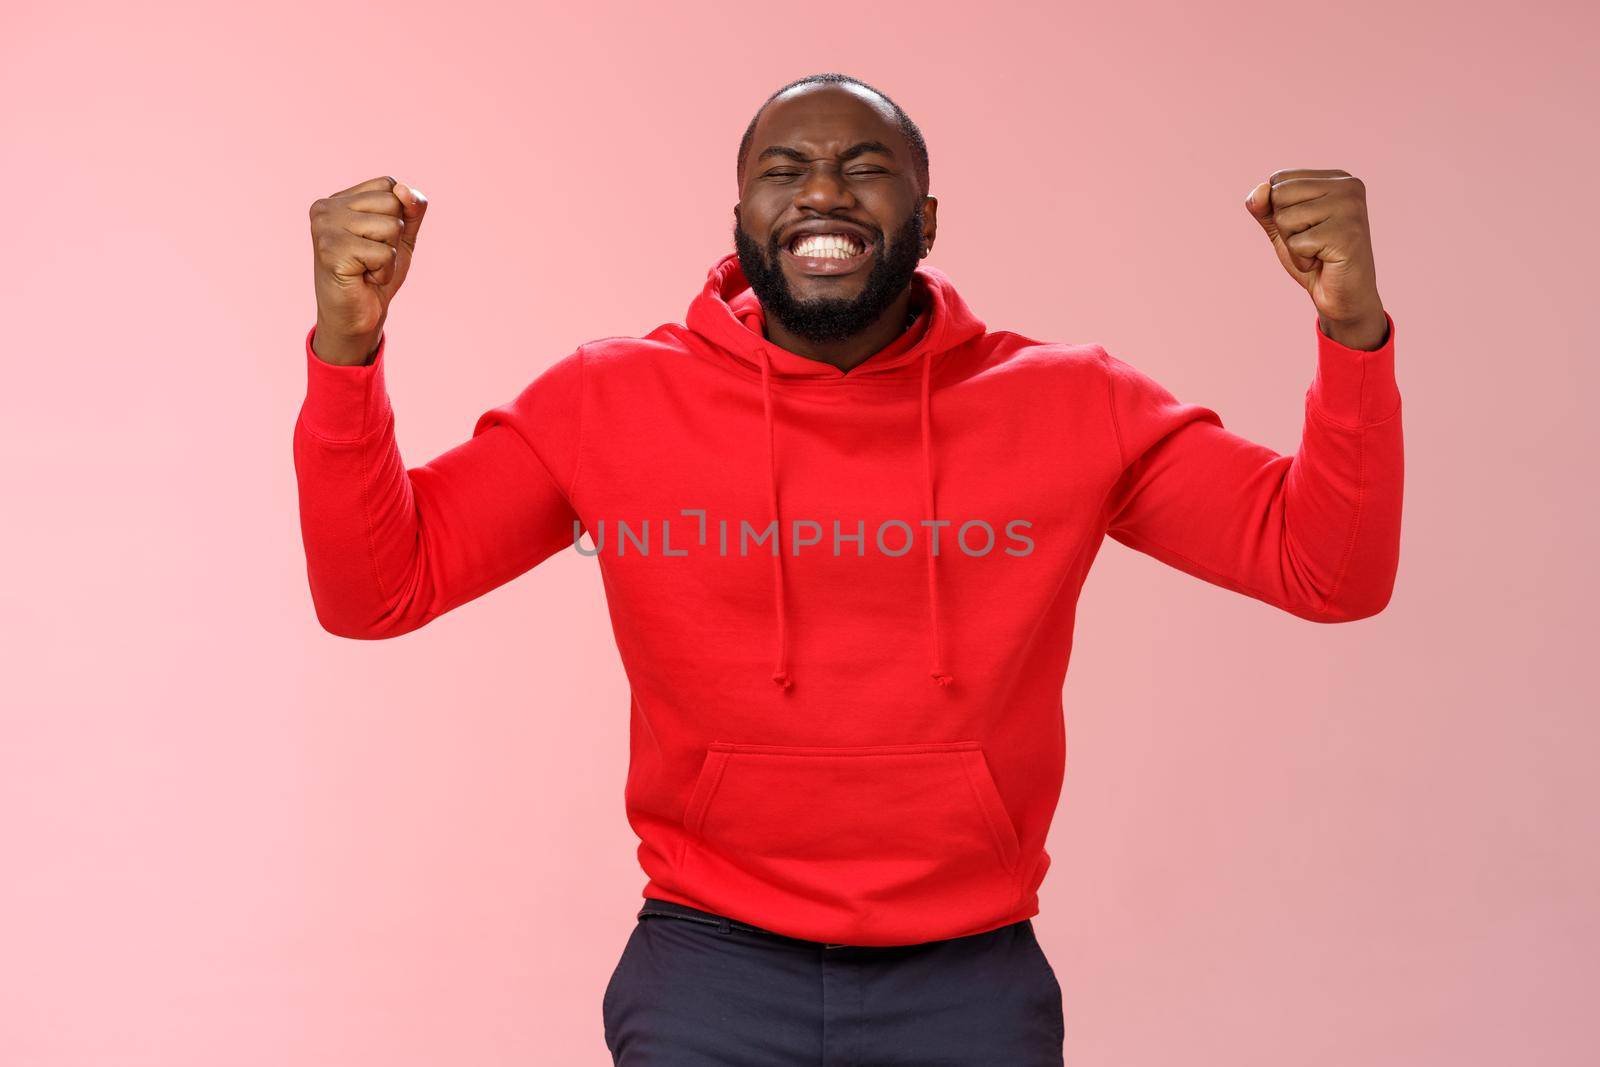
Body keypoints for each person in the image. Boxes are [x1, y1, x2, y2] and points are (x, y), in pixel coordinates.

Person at [293, 72, 1401, 1066]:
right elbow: (380, 590)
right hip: (706, 967)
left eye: (865, 168)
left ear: (925, 220)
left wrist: (1351, 332)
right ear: (741, 220)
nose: (822, 192)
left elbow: (1324, 569)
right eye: (783, 171)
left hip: (968, 975)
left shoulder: (1073, 401)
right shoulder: (606, 398)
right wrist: (346, 350)